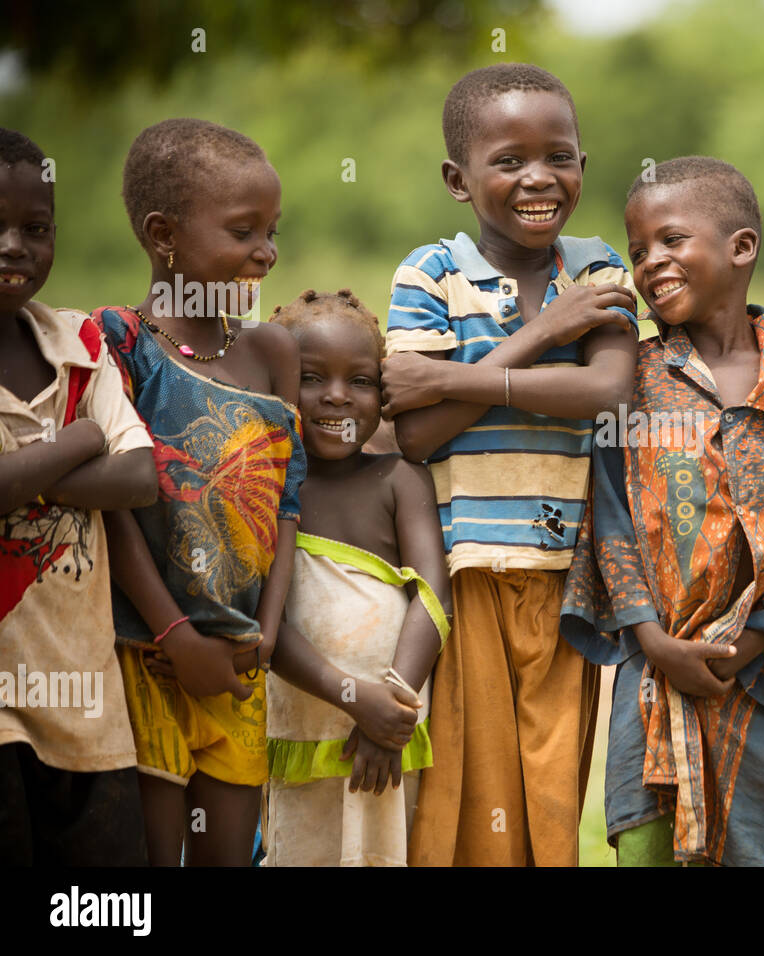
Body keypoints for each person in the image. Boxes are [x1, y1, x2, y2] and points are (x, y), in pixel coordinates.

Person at [562, 156, 764, 866]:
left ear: (741, 247)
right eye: (638, 250)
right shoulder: (633, 378)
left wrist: (760, 641)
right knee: (647, 842)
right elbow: (609, 514)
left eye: (672, 241)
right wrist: (654, 641)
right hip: (657, 671)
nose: (650, 263)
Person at [379, 63, 638, 866]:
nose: (538, 178)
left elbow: (608, 393)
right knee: (471, 789)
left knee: (553, 794)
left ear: (583, 167)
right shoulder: (430, 274)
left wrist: (457, 378)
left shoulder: (596, 267)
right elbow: (417, 437)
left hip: (572, 576)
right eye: (509, 160)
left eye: (558, 156)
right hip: (466, 571)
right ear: (459, 179)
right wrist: (541, 336)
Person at [94, 118, 306, 866]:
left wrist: (270, 631)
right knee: (153, 854)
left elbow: (285, 505)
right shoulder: (117, 343)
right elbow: (114, 512)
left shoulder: (271, 350)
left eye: (273, 231)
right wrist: (174, 637)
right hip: (146, 653)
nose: (266, 252)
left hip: (240, 661)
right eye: (244, 231)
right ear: (163, 234)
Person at [0, 128, 158, 865]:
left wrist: (19, 476)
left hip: (88, 706)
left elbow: (138, 479)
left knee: (103, 909)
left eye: (34, 229)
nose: (13, 246)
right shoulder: (86, 386)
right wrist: (77, 440)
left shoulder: (81, 344)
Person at [260, 289, 451, 866]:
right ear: (276, 387)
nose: (337, 397)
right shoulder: (268, 488)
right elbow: (265, 621)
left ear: (384, 393)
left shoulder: (399, 479)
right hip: (302, 731)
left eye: (361, 381)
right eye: (311, 378)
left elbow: (433, 596)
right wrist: (351, 697)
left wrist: (388, 705)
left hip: (393, 736)